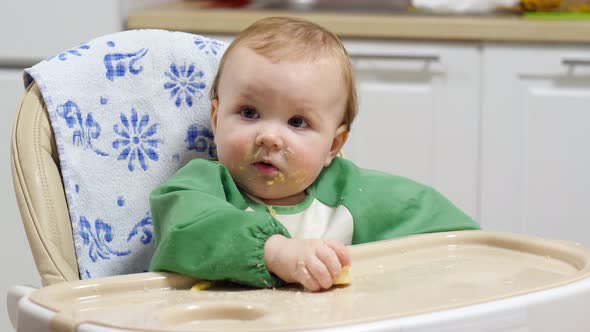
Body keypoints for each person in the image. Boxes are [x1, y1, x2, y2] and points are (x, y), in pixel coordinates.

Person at [148, 17, 480, 292]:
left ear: (333, 146)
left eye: (297, 122)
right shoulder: (198, 187)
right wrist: (275, 252)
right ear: (217, 119)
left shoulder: (352, 195)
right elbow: (186, 231)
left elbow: (457, 241)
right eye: (249, 112)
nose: (269, 137)